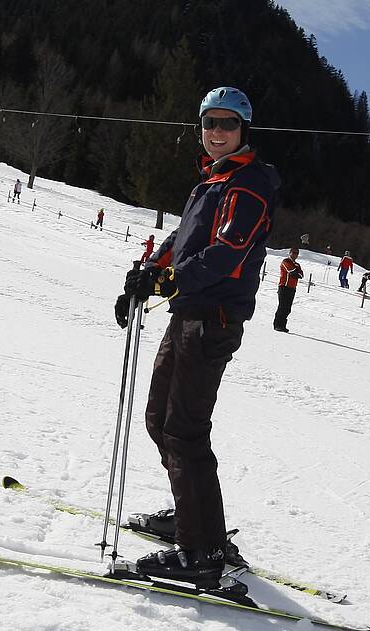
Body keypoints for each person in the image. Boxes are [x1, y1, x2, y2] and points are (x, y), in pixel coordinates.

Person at [117, 86, 278, 589]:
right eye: (210, 123)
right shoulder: (211, 180)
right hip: (186, 313)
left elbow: (227, 251)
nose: (217, 133)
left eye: (227, 124)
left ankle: (200, 551)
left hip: (212, 319)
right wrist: (147, 272)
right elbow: (182, 239)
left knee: (183, 430)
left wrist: (168, 281)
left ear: (243, 130)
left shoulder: (249, 183)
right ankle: (194, 519)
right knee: (160, 419)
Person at [273, 248, 303, 332]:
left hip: (292, 288)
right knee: (282, 306)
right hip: (284, 287)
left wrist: (296, 272)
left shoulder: (297, 264)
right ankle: (277, 325)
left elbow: (300, 275)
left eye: (297, 253)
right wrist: (296, 272)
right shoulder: (286, 261)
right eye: (293, 253)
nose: (295, 255)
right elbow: (292, 272)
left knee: (287, 308)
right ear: (290, 253)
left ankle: (282, 325)